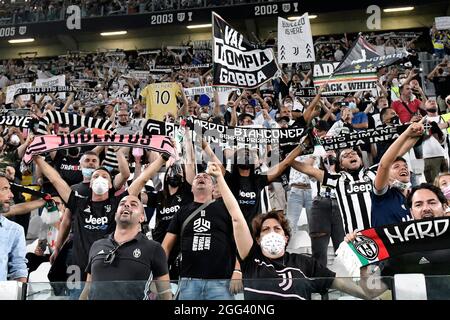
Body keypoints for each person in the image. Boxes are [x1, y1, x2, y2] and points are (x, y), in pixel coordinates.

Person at [206, 162, 379, 300]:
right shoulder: (251, 259)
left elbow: (364, 293)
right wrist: (220, 178)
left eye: (276, 228)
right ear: (257, 239)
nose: (271, 232)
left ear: (286, 237)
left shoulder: (306, 263)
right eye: (265, 229)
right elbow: (237, 217)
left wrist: (363, 258)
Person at [34, 152, 168, 295]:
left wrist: (162, 159)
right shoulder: (78, 202)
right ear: (90, 183)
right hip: (78, 273)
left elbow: (142, 179)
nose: (99, 179)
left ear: (111, 184)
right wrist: (37, 159)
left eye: (105, 177)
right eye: (96, 176)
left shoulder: (119, 204)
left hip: (106, 273)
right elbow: (55, 179)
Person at [348, 183, 450, 299]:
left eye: (432, 202)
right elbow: (371, 292)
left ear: (445, 206)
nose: (426, 208)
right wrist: (363, 258)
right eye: (418, 204)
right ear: (411, 212)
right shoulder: (397, 246)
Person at [162, 172, 239, 300]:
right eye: (197, 177)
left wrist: (238, 270)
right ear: (191, 188)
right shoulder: (182, 212)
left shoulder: (227, 209)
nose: (200, 177)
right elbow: (166, 246)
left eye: (206, 177)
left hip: (221, 282)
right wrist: (161, 276)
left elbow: (240, 243)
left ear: (214, 187)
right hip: (189, 282)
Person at [80, 195, 171, 300]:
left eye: (133, 204)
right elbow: (87, 289)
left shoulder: (154, 248)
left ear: (142, 217)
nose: (126, 205)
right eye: (122, 204)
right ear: (115, 215)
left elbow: (165, 294)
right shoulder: (97, 245)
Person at [371, 120, 426, 226]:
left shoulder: (414, 198)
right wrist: (406, 134)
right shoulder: (382, 195)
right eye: (396, 167)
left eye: (405, 166)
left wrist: (419, 133)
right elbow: (384, 165)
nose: (403, 168)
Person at [0, 173, 28, 282]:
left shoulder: (15, 230)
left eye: (9, 189)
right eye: (5, 189)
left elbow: (19, 269)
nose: (11, 195)